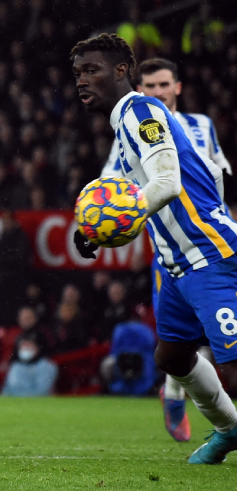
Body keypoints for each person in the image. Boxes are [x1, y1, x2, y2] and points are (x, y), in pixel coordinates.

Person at [71, 33, 237, 464]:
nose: (81, 80)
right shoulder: (124, 125)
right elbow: (207, 173)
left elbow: (167, 182)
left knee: (233, 366)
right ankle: (229, 430)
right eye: (78, 73)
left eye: (91, 70)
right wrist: (95, 229)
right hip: (177, 266)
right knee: (172, 355)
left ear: (121, 71)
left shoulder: (141, 111)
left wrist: (121, 218)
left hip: (208, 255)